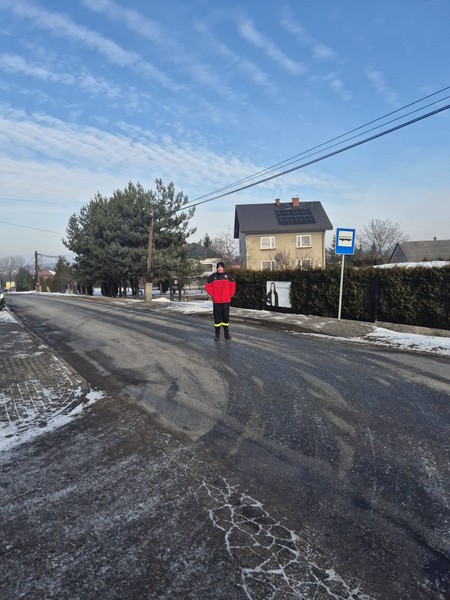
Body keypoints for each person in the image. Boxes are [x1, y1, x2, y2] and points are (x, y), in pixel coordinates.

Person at [205, 262, 236, 341]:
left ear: (223, 268)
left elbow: (233, 285)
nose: (220, 268)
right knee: (217, 319)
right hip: (217, 302)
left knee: (226, 318)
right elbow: (207, 286)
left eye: (221, 267)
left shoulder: (228, 276)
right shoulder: (212, 277)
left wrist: (230, 294)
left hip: (226, 301)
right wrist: (212, 294)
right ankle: (217, 334)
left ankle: (226, 333)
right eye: (218, 267)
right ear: (217, 268)